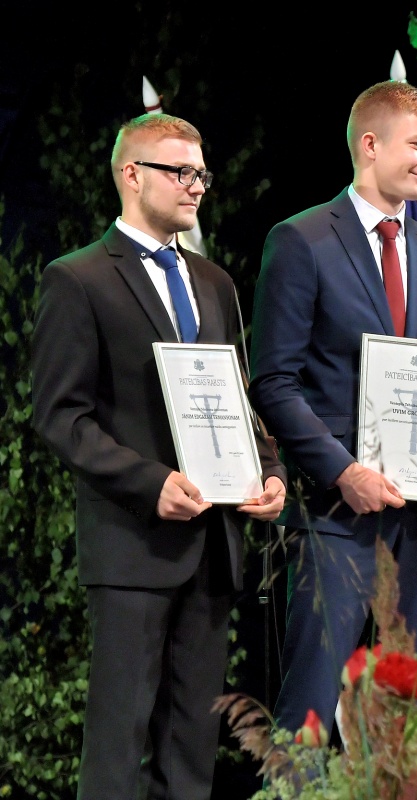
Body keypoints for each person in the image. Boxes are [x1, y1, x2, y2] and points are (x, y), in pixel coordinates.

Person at [30, 113, 287, 800]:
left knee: (191, 748)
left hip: (214, 547)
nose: (196, 185)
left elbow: (237, 398)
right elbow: (61, 417)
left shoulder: (214, 282)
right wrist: (151, 483)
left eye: (201, 172)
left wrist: (269, 472)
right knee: (118, 745)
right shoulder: (77, 278)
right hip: (133, 549)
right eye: (180, 171)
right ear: (131, 174)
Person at [248, 80, 417, 738]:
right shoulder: (300, 240)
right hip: (335, 516)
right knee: (308, 713)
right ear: (370, 145)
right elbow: (273, 381)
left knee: (406, 718)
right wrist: (344, 471)